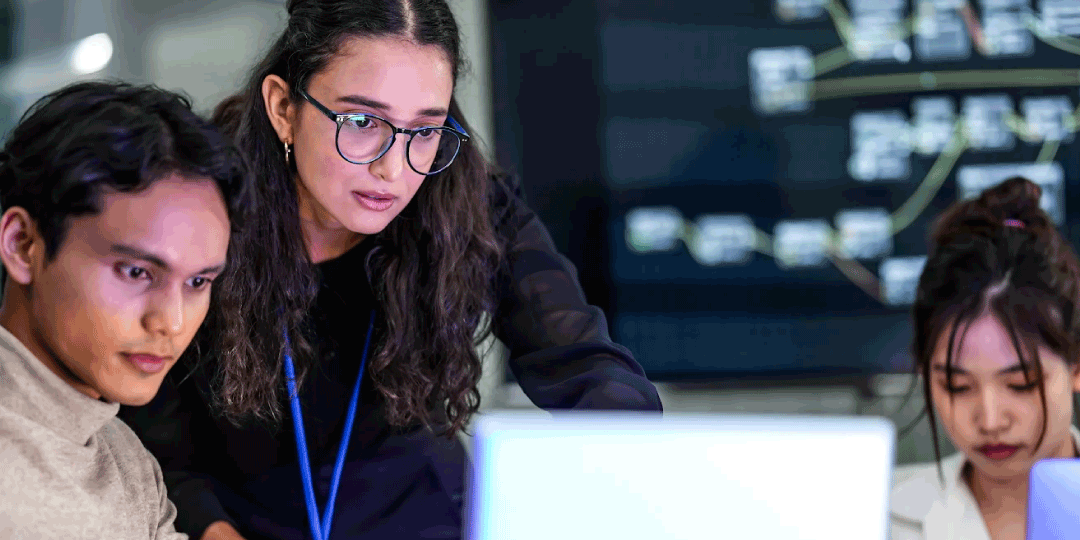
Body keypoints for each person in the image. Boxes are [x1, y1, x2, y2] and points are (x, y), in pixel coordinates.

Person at [118, 1, 663, 539]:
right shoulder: (203, 213)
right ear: (284, 107)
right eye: (360, 121)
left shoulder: (466, 202)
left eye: (425, 131)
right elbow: (155, 440)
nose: (392, 169)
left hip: (426, 520)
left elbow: (581, 361)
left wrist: (639, 465)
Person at [0, 81, 251, 539]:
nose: (171, 322)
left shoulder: (128, 461)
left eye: (198, 282)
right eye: (136, 272)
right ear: (23, 244)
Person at [890, 177, 1080, 540]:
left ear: (1077, 364)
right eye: (958, 387)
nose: (991, 420)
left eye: (1020, 384)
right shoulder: (876, 519)